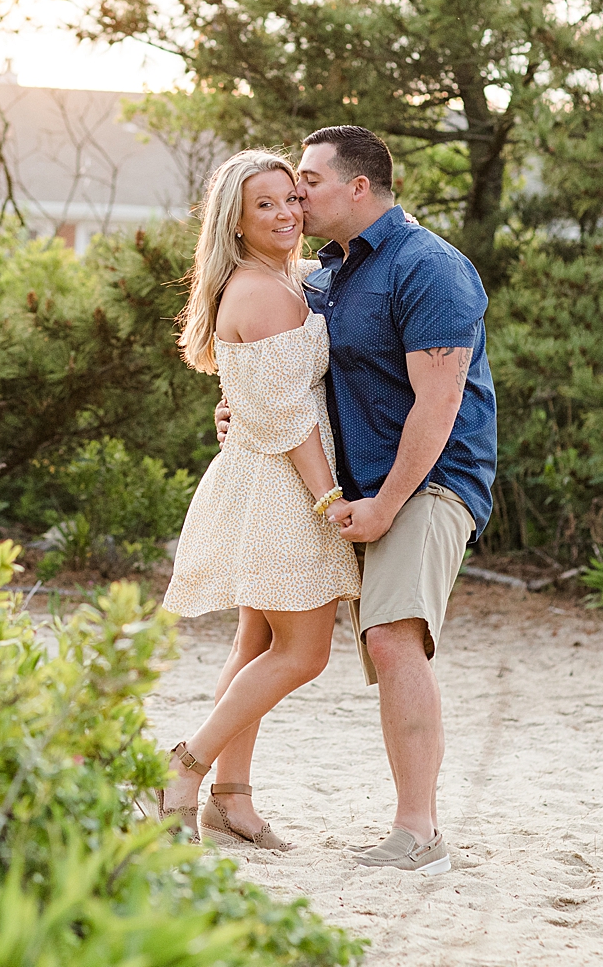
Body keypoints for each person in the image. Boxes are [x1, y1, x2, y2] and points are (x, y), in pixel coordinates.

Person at [218, 126, 497, 876]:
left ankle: (419, 832)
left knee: (391, 637)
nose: (297, 192)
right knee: (261, 631)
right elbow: (279, 370)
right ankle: (226, 792)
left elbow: (437, 408)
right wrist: (237, 406)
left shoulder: (431, 268)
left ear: (359, 188)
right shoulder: (322, 277)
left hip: (428, 480)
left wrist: (384, 504)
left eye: (308, 178)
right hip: (345, 485)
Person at [156, 148, 360, 852]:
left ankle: (231, 801)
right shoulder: (264, 289)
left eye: (290, 199)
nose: (284, 214)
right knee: (302, 653)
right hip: (284, 487)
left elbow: (255, 385)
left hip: (265, 474)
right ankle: (184, 767)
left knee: (255, 644)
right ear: (236, 223)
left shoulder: (291, 276)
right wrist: (329, 498)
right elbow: (289, 417)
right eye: (264, 206)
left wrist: (229, 401)